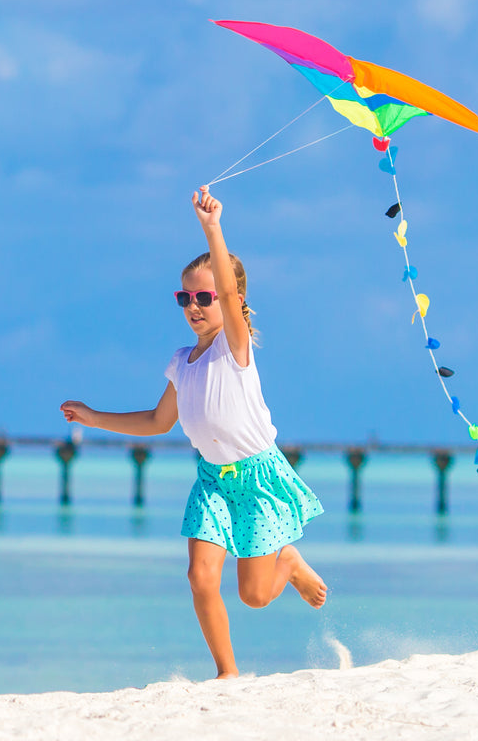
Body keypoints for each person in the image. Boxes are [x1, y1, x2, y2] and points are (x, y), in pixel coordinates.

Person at [59, 186, 327, 680]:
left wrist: (212, 227)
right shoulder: (183, 362)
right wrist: (95, 417)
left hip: (257, 478)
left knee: (254, 595)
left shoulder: (234, 347)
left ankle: (286, 562)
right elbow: (158, 422)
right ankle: (228, 673)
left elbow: (226, 291)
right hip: (212, 482)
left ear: (233, 301)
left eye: (204, 297)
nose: (195, 306)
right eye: (186, 298)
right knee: (200, 578)